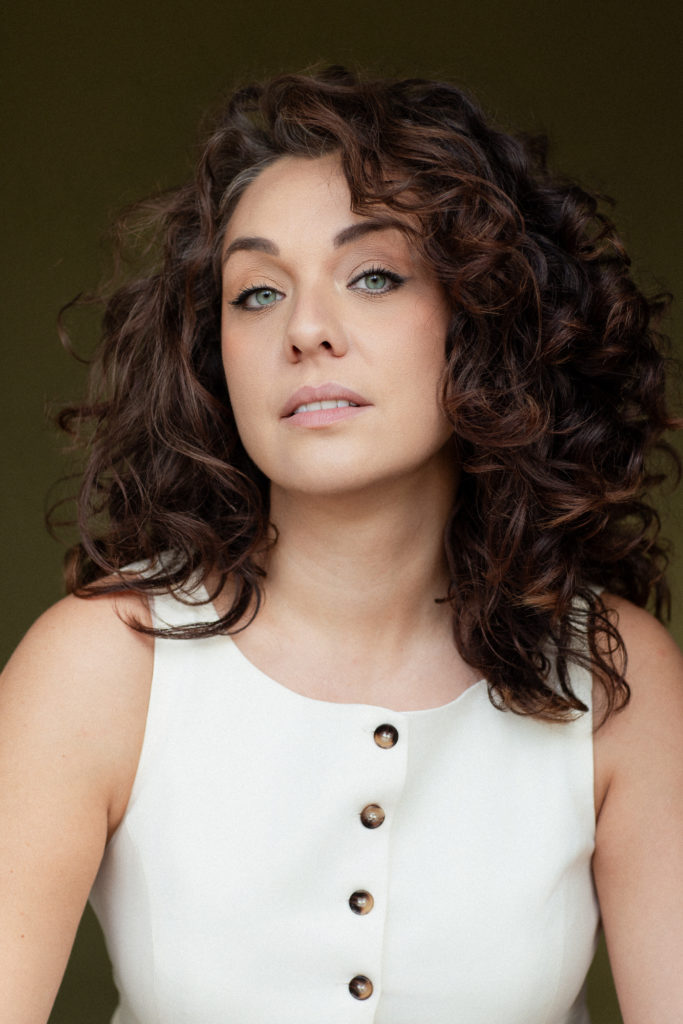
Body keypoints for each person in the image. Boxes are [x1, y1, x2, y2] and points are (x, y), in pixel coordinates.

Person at [1, 66, 682, 1024]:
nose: (306, 330)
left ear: (484, 317)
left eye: (372, 277)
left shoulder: (614, 678)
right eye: (256, 293)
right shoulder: (105, 662)